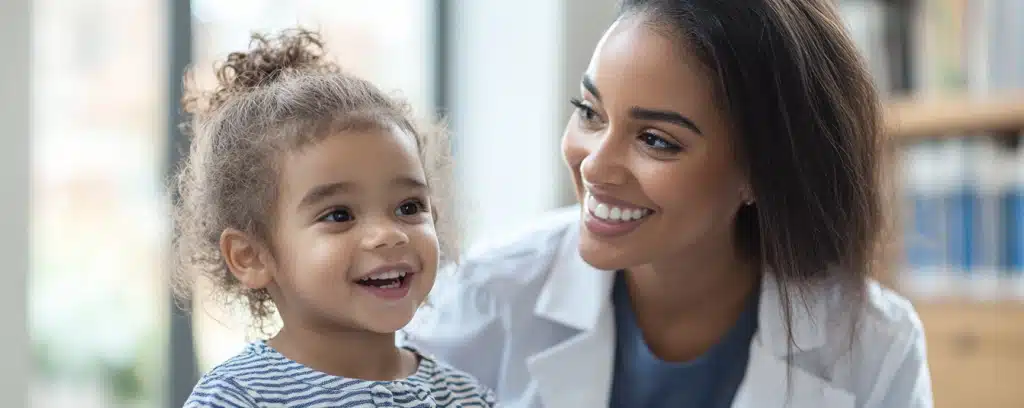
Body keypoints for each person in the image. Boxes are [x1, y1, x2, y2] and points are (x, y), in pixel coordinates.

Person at [401, 1, 932, 407]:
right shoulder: (484, 298)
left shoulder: (876, 348)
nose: (594, 165)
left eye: (656, 140)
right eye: (590, 113)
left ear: (760, 174)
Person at [171, 28, 495, 407]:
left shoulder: (465, 396)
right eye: (339, 214)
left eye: (409, 207)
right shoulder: (238, 398)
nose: (389, 235)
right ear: (251, 256)